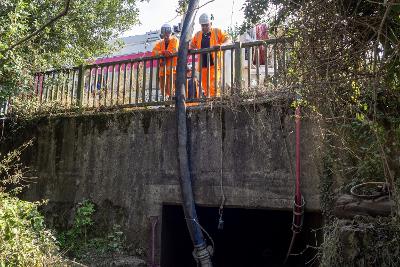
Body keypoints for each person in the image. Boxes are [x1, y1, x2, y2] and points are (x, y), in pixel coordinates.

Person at [190, 13, 230, 97]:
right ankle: (209, 104)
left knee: (214, 86)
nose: (204, 27)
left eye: (206, 25)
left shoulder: (217, 31)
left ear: (210, 24)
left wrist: (221, 46)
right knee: (205, 86)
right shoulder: (197, 35)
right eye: (202, 26)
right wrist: (191, 49)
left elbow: (228, 39)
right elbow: (192, 45)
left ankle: (214, 104)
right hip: (203, 66)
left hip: (214, 65)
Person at [152, 24, 179, 99]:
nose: (166, 36)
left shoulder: (175, 40)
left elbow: (173, 51)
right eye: (164, 34)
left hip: (172, 71)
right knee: (163, 90)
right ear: (162, 34)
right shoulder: (160, 43)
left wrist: (163, 54)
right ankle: (166, 104)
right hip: (162, 71)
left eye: (168, 34)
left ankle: (171, 102)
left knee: (171, 89)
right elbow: (154, 52)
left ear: (171, 33)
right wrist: (163, 52)